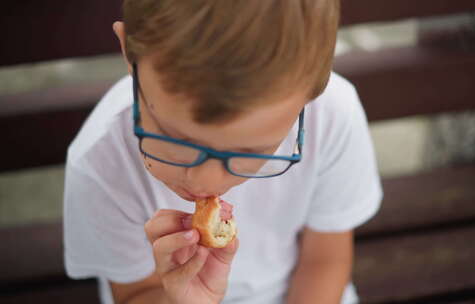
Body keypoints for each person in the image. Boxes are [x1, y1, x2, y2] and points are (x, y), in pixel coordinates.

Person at [63, 1, 383, 303]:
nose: (205, 182)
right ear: (128, 52)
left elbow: (324, 261)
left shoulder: (332, 118)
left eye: (251, 152)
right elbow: (135, 293)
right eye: (176, 139)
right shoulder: (101, 163)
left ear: (311, 97)